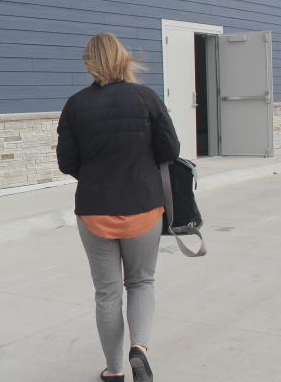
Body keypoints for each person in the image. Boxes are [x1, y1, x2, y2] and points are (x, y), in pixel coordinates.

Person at [57, 32, 179, 382]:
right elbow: (169, 150)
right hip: (143, 207)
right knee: (141, 282)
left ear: (90, 63)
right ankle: (139, 348)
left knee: (107, 292)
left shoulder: (76, 104)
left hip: (95, 210)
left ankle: (114, 371)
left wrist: (94, 175)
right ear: (124, 58)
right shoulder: (146, 98)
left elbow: (67, 161)